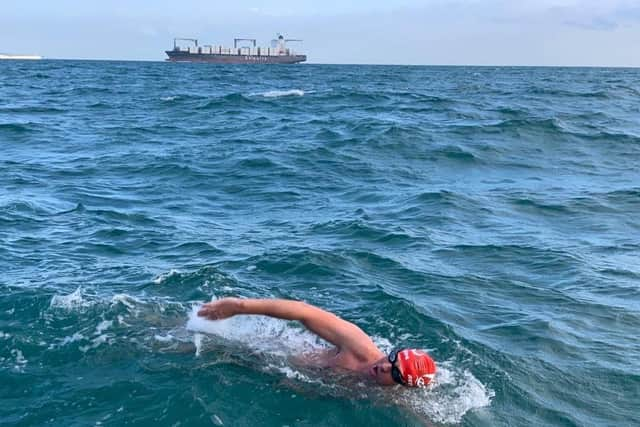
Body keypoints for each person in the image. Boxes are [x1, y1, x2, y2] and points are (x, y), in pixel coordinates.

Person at [197, 297, 436, 388]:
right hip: (266, 350)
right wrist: (240, 307)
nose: (385, 366)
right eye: (392, 359)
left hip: (276, 376)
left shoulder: (389, 397)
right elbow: (304, 312)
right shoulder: (359, 346)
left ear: (402, 385)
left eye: (395, 374)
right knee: (191, 341)